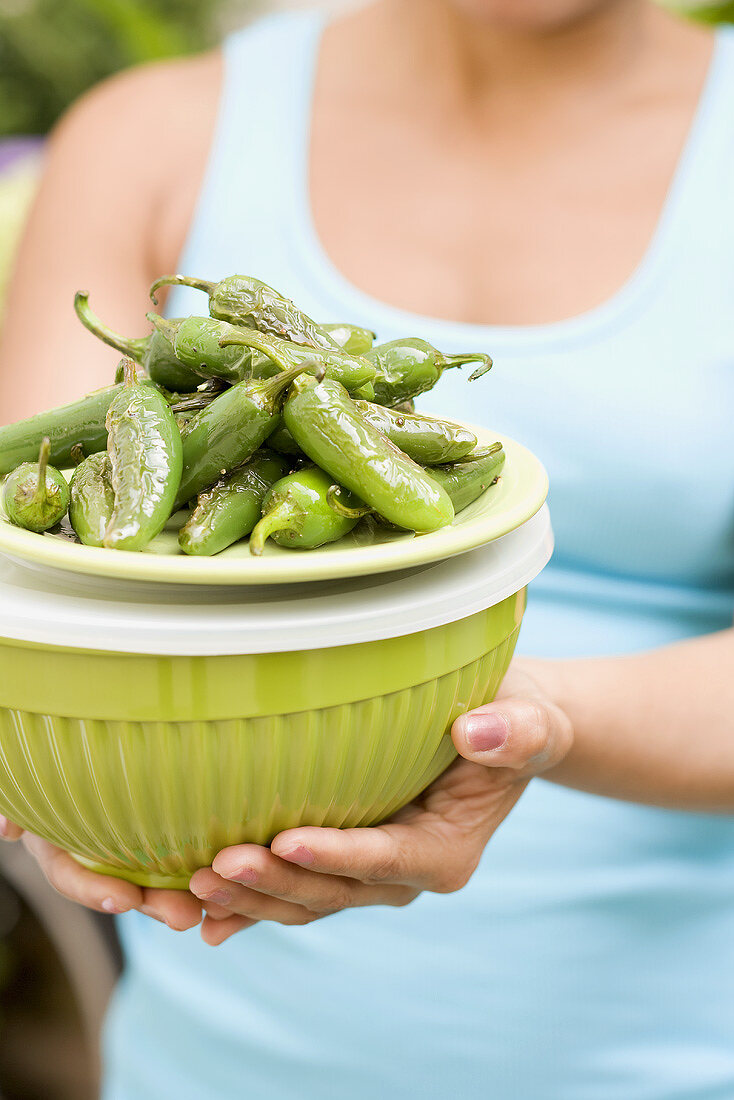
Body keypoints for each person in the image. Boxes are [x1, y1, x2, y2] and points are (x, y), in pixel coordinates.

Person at [1, 0, 734, 1095]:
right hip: (214, 1065)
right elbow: (46, 561)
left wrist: (525, 720)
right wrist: (68, 774)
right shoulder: (151, 138)